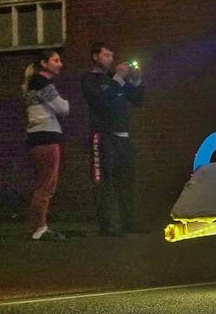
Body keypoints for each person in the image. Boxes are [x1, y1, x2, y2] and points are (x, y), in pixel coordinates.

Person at [81, 43, 144, 236]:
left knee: (126, 180)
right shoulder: (89, 79)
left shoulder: (114, 79)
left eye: (111, 56)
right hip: (103, 135)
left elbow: (137, 100)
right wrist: (117, 79)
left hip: (123, 136)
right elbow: (100, 102)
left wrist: (136, 80)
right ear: (95, 57)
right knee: (104, 181)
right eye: (106, 55)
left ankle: (128, 223)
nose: (111, 59)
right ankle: (106, 226)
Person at [23, 49, 69, 241]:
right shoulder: (42, 83)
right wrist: (66, 103)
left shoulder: (34, 83)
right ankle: (39, 228)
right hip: (46, 137)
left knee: (43, 184)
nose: (60, 64)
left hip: (38, 137)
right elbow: (63, 108)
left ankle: (38, 226)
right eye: (55, 60)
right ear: (44, 63)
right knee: (46, 185)